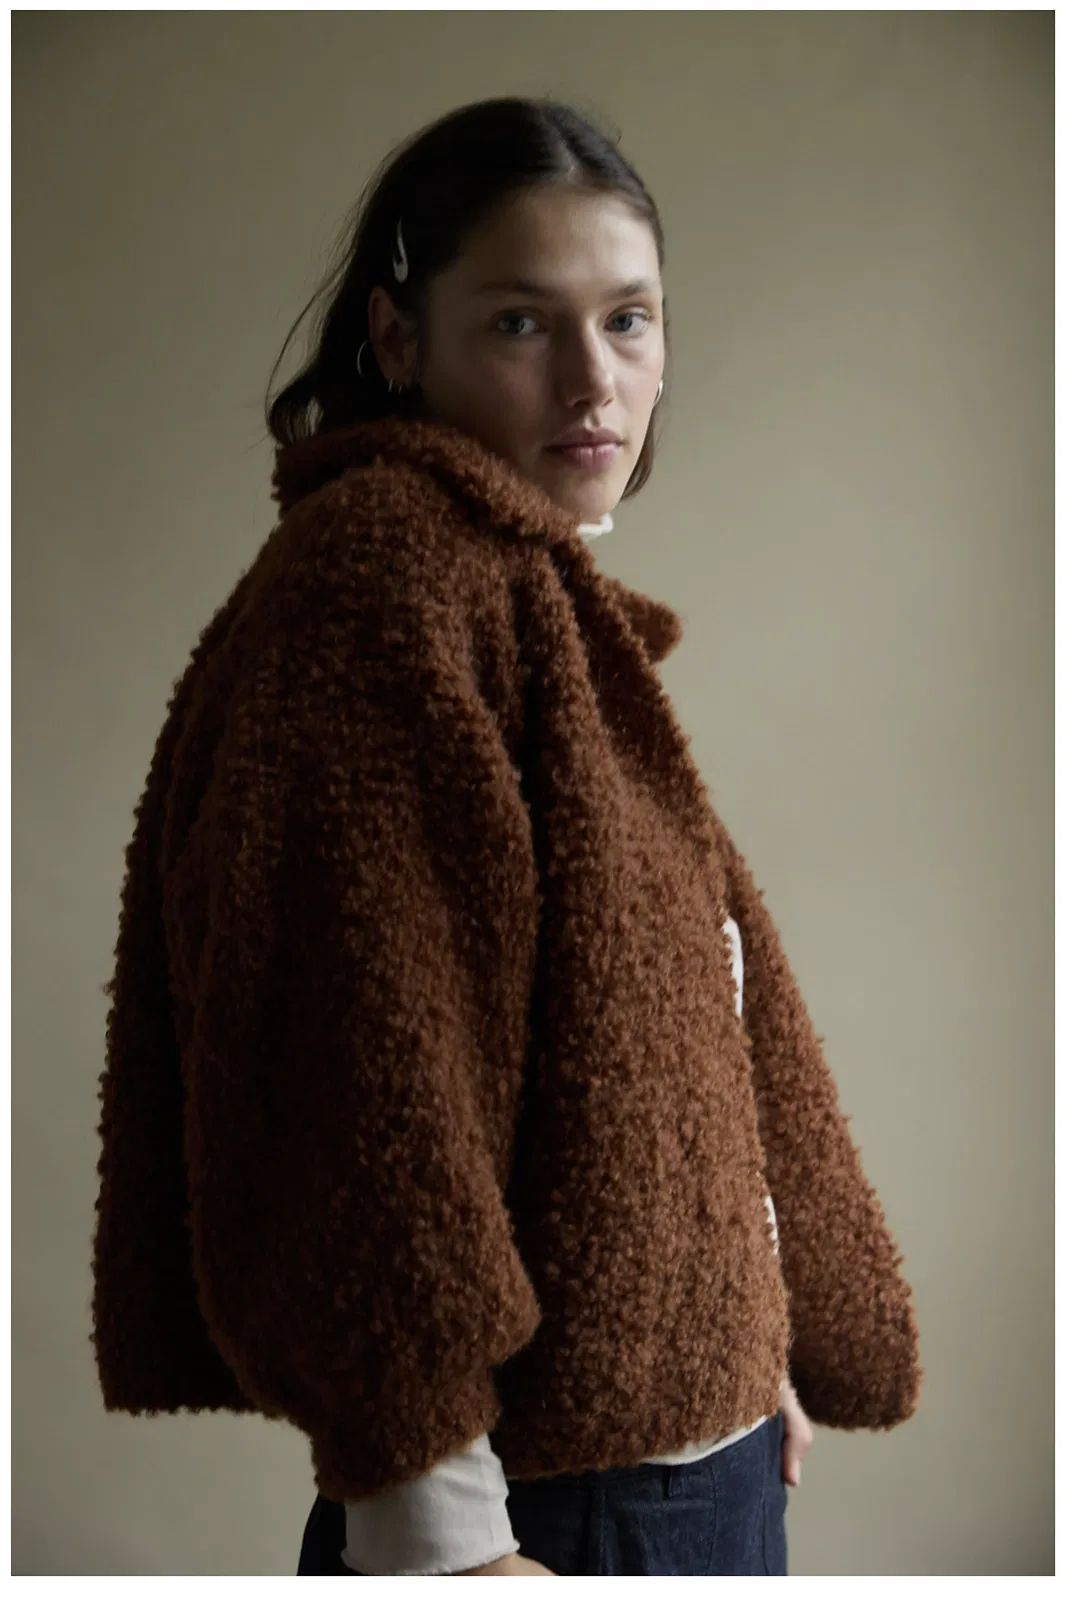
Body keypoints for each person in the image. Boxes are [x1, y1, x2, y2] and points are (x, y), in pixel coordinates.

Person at [91, 96, 921, 1578]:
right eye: (523, 323)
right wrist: (445, 1540)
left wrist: (738, 1342)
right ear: (397, 338)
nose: (595, 380)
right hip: (552, 1515)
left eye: (629, 319)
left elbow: (655, 1041)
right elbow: (363, 1070)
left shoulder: (515, 590)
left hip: (677, 1462)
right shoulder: (385, 582)